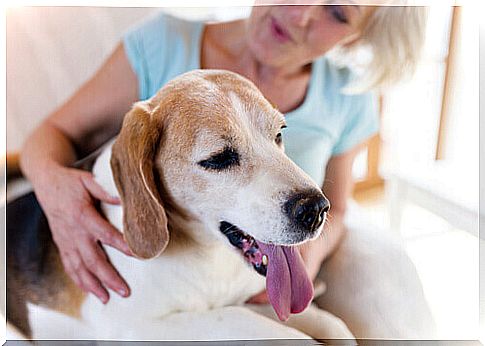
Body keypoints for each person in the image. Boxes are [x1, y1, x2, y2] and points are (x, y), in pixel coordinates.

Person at [19, 1, 432, 338]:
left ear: (356, 36)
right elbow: (52, 133)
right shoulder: (163, 43)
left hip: (264, 244)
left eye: (338, 13)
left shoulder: (347, 93)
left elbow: (337, 207)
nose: (301, 14)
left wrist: (307, 257)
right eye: (220, 157)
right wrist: (55, 192)